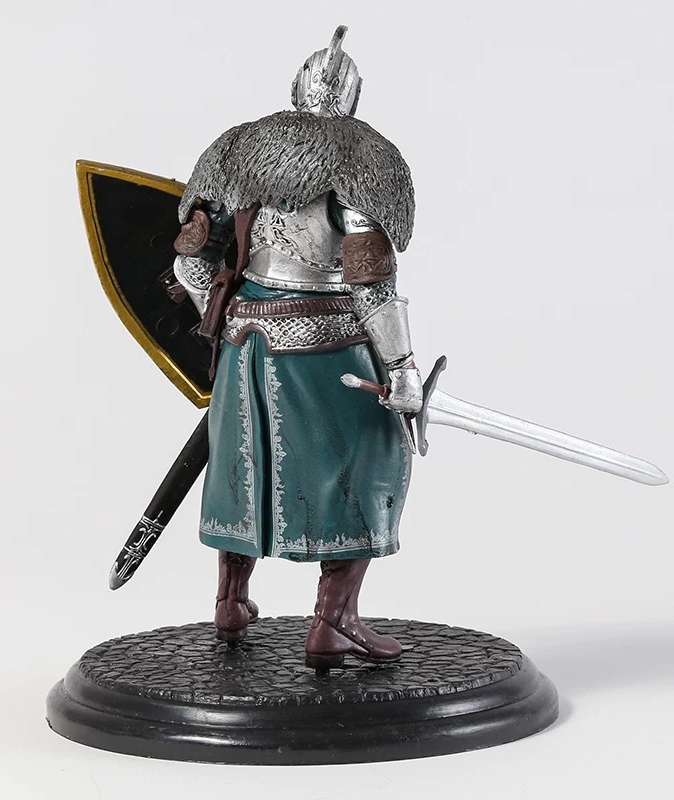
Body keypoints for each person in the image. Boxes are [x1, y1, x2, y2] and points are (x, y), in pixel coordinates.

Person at [171, 26, 421, 670]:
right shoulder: (360, 160)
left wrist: (218, 319)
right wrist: (401, 368)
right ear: (354, 97)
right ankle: (333, 624)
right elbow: (370, 282)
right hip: (325, 347)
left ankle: (230, 602)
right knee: (369, 461)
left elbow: (192, 260)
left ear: (294, 89)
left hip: (241, 344)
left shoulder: (240, 150)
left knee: (242, 466)